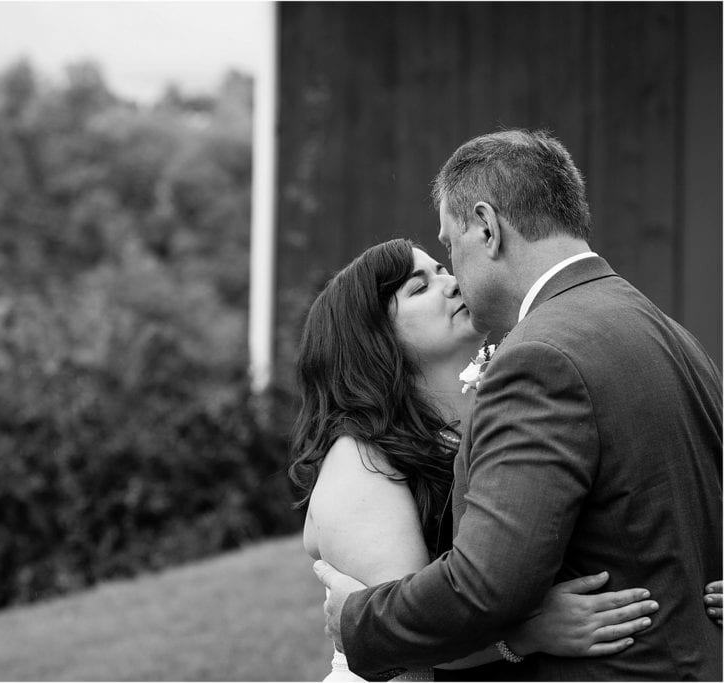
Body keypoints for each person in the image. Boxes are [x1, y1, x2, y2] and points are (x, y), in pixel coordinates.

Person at [313, 129, 723, 680]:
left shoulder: (540, 355)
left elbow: (488, 585)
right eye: (422, 282)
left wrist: (358, 621)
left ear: (487, 226)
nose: (453, 273)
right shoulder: (670, 333)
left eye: (450, 246)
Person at [291, 239, 670, 681]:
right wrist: (528, 636)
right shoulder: (360, 459)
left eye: (442, 270)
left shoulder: (497, 408)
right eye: (419, 287)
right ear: (373, 338)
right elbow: (405, 635)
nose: (452, 284)